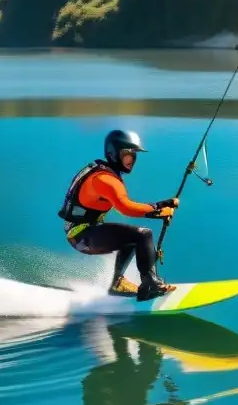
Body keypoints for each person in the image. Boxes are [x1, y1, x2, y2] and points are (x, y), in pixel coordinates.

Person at [58, 129, 179, 301]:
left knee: (132, 238)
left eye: (134, 155)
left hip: (83, 234)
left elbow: (120, 203)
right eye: (127, 154)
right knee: (143, 234)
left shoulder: (104, 173)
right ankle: (150, 285)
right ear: (113, 153)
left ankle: (117, 283)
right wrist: (157, 211)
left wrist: (160, 205)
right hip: (81, 236)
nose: (132, 160)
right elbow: (125, 207)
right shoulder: (105, 180)